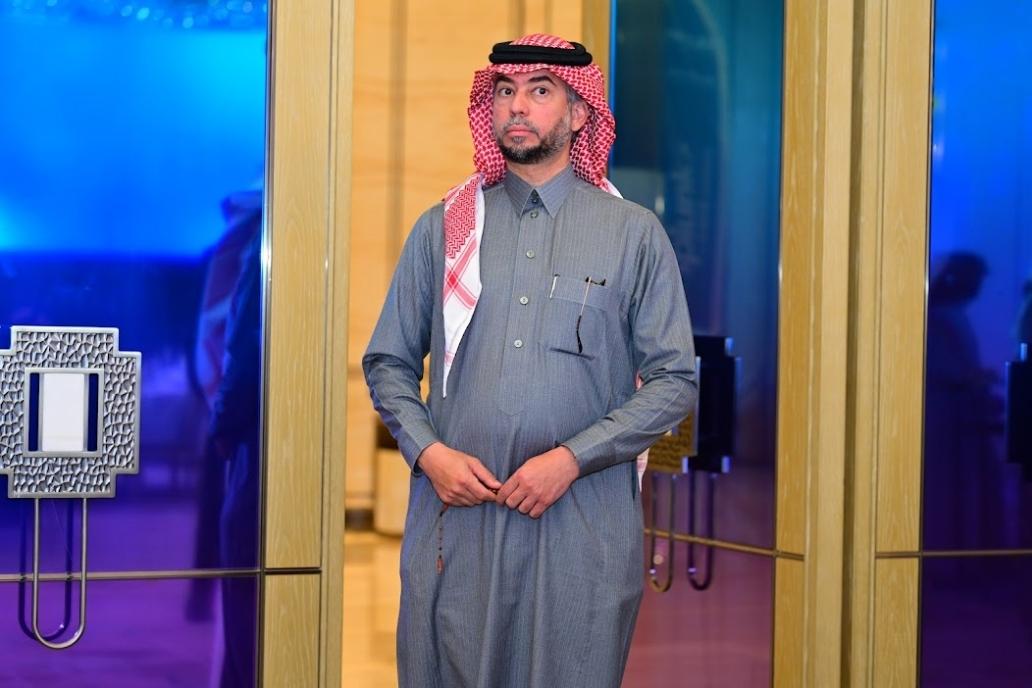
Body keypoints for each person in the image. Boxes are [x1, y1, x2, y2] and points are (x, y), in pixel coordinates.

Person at [363, 33, 697, 688]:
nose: (518, 106)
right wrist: (430, 454)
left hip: (582, 524)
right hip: (459, 522)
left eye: (540, 91)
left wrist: (571, 459)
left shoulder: (633, 235)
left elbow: (674, 380)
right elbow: (388, 361)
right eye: (505, 91)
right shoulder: (445, 229)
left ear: (579, 112)